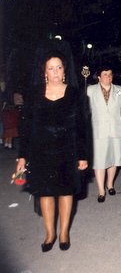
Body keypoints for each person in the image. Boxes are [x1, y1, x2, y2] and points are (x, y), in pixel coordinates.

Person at [16, 51, 88, 251]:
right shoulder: (34, 93)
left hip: (68, 150)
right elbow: (26, 126)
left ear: (64, 71)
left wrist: (83, 155)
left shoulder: (75, 93)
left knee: (66, 192)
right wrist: (22, 156)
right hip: (40, 151)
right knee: (45, 193)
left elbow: (82, 126)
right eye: (51, 68)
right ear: (44, 72)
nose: (55, 72)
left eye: (59, 67)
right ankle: (50, 233)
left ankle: (64, 232)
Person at [87, 66, 121, 203]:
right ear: (99, 77)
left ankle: (110, 184)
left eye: (110, 74)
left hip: (116, 129)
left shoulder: (120, 90)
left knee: (114, 159)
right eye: (105, 74)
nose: (108, 77)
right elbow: (86, 111)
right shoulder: (90, 90)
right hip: (97, 130)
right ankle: (101, 190)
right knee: (99, 161)